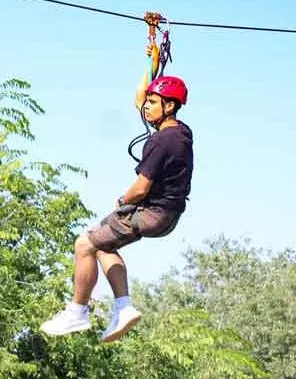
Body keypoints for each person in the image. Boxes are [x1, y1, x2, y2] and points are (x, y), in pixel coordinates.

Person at [39, 75, 193, 342]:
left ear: (169, 106)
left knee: (84, 244)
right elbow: (140, 98)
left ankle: (77, 312)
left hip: (151, 212)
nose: (145, 107)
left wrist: (123, 200)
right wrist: (153, 60)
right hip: (169, 214)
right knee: (103, 245)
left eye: (152, 103)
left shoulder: (161, 141)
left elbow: (141, 189)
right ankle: (123, 308)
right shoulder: (182, 133)